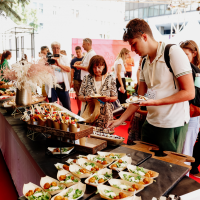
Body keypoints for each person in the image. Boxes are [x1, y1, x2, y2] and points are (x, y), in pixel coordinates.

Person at [108, 18, 195, 153]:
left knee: (168, 170)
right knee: (144, 166)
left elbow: (190, 92)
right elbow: (140, 97)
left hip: (172, 124)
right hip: (150, 122)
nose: (132, 49)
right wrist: (120, 120)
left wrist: (156, 102)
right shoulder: (144, 62)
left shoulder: (172, 52)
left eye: (134, 44)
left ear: (144, 37)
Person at [79, 55, 117, 128]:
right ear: (91, 67)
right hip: (89, 113)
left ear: (104, 66)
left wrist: (108, 99)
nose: (97, 70)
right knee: (88, 135)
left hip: (105, 114)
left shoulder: (110, 78)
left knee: (104, 136)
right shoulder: (87, 78)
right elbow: (80, 96)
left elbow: (115, 97)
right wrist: (85, 98)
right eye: (94, 67)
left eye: (99, 67)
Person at [180, 40, 200, 176]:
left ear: (194, 53)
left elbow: (197, 97)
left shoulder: (196, 71)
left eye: (186, 54)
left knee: (186, 148)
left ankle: (183, 177)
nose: (183, 57)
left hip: (192, 114)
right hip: (180, 114)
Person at [47, 41, 71, 111]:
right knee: (52, 107)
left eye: (58, 48)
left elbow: (68, 69)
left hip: (62, 85)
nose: (56, 50)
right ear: (52, 49)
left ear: (60, 49)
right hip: (52, 86)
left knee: (67, 107)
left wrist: (58, 64)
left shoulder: (64, 58)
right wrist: (45, 65)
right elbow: (43, 71)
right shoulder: (49, 58)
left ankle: (69, 121)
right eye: (54, 48)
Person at [70, 46, 84, 115]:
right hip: (76, 79)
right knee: (78, 96)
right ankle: (79, 110)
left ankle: (84, 110)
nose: (78, 53)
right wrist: (71, 80)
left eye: (79, 52)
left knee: (84, 95)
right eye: (76, 52)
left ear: (81, 51)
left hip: (84, 79)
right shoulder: (73, 60)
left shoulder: (84, 59)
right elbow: (72, 71)